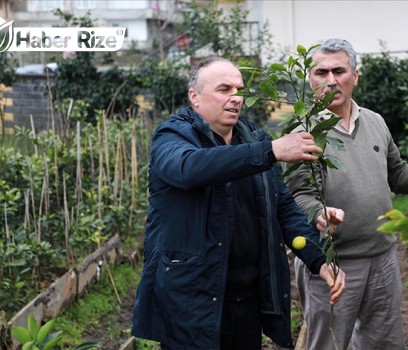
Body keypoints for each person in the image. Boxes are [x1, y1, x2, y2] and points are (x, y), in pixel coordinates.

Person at [131, 56, 346, 350]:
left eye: (239, 89)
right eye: (224, 89)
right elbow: (189, 169)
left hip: (246, 300)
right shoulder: (172, 136)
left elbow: (282, 207)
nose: (235, 98)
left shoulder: (253, 137)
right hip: (192, 299)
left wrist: (319, 259)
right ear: (194, 97)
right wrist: (269, 151)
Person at [285, 38, 408, 350]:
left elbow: (397, 174)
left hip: (382, 258)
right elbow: (299, 196)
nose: (330, 80)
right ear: (309, 78)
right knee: (329, 344)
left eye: (339, 70)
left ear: (355, 76)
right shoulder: (302, 135)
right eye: (321, 72)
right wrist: (318, 212)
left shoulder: (375, 122)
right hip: (333, 264)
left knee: (383, 343)